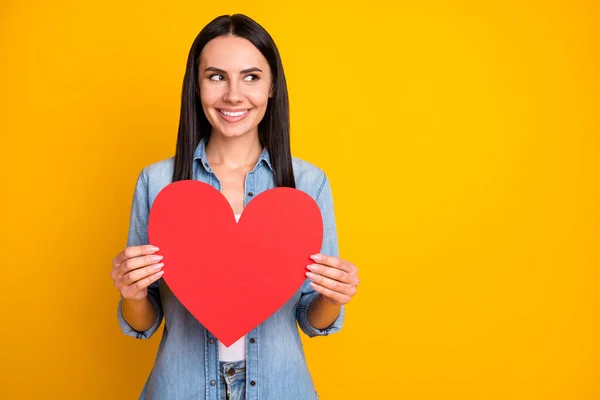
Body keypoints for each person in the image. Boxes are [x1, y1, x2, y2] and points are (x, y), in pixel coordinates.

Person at [110, 14, 360, 400]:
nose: (233, 95)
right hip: (181, 389)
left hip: (282, 388)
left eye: (251, 76)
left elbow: (313, 321)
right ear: (196, 86)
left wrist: (332, 296)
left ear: (272, 85)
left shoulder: (308, 185)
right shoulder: (157, 184)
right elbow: (145, 323)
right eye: (215, 76)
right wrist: (132, 294)